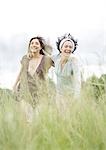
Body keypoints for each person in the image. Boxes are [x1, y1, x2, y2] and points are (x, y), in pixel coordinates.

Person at [13, 36, 53, 122]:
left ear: (41, 47)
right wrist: (14, 85)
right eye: (32, 43)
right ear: (29, 46)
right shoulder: (25, 58)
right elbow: (20, 72)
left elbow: (46, 76)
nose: (34, 45)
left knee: (38, 119)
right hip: (24, 91)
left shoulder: (45, 59)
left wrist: (47, 92)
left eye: (36, 43)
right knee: (28, 119)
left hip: (39, 92)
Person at [52, 33, 81, 111]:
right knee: (60, 117)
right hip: (58, 95)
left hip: (70, 95)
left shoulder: (74, 61)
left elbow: (77, 80)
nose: (68, 48)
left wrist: (76, 97)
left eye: (70, 47)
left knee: (68, 117)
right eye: (66, 46)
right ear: (61, 48)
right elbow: (44, 55)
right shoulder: (56, 58)